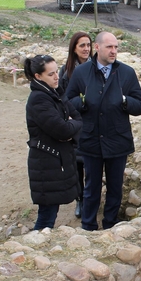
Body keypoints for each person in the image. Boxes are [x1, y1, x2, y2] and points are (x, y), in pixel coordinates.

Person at [66, 32, 141, 231]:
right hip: (91, 139)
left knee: (115, 187)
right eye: (109, 47)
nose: (113, 51)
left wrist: (125, 101)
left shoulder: (126, 73)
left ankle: (111, 224)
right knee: (91, 187)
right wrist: (83, 102)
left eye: (116, 47)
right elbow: (68, 100)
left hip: (117, 139)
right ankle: (88, 226)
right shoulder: (82, 72)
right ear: (97, 47)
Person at [25, 54, 82, 231]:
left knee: (50, 212)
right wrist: (69, 128)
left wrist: (69, 127)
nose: (57, 76)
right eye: (51, 74)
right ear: (38, 76)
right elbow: (62, 129)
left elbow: (78, 118)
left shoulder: (55, 92)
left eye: (57, 72)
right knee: (46, 216)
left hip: (56, 159)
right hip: (46, 163)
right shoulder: (39, 99)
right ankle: (36, 250)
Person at [59, 31, 92, 218]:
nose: (86, 49)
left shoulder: (97, 67)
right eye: (82, 45)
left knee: (92, 164)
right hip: (75, 124)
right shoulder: (66, 71)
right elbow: (62, 97)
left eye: (88, 45)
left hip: (93, 123)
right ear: (74, 48)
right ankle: (80, 199)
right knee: (77, 164)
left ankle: (90, 198)